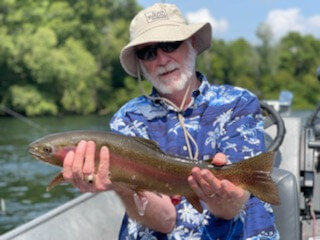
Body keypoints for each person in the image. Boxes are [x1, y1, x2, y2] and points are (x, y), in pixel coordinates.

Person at [62, 3, 279, 239]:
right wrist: (120, 184)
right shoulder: (128, 118)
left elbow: (232, 208)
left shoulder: (238, 102)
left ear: (193, 43)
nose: (162, 59)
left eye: (170, 44)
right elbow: (164, 220)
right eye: (148, 53)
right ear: (141, 64)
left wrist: (224, 196)